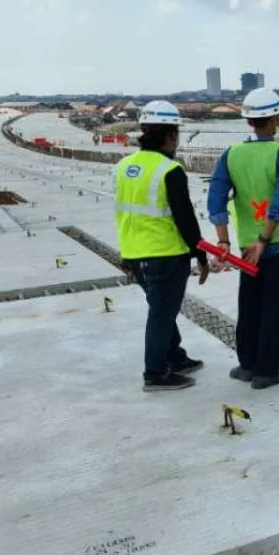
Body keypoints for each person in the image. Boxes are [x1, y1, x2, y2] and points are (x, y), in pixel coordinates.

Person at [208, 87, 279, 390]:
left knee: (249, 304)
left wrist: (223, 241)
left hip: (244, 247)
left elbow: (216, 199)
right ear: (275, 118)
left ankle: (247, 364)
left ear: (249, 121)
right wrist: (264, 239)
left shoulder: (232, 154)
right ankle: (266, 370)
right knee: (275, 307)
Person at [113, 100, 209, 392]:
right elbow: (185, 218)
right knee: (161, 314)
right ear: (170, 135)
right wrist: (201, 255)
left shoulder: (123, 166)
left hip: (133, 252)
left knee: (161, 308)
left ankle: (174, 356)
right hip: (165, 253)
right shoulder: (170, 170)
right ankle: (155, 373)